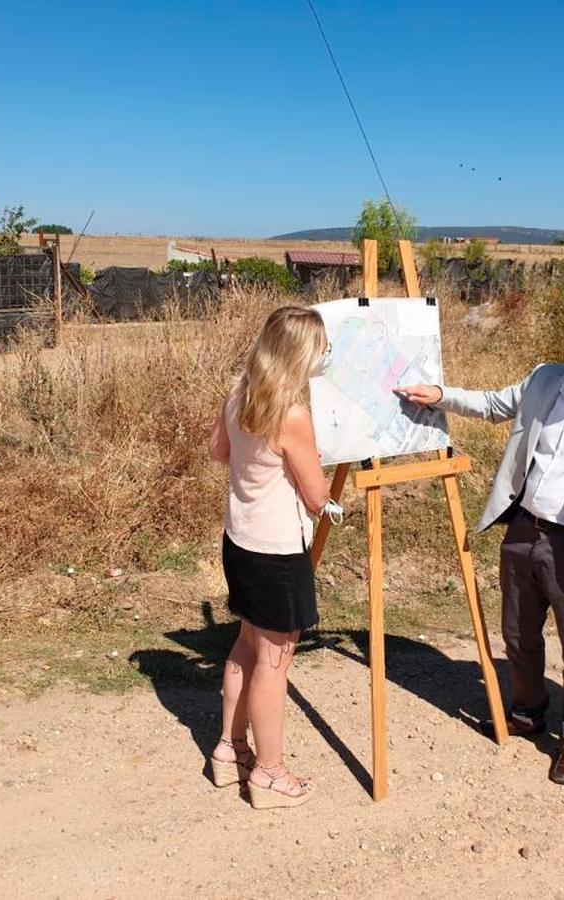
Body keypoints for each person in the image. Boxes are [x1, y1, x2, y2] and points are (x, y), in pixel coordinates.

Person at [397, 306, 564, 784]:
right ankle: (528, 710)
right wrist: (439, 396)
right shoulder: (544, 381)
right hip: (525, 530)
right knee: (518, 635)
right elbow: (494, 405)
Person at [206, 306, 332, 809]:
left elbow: (219, 452)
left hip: (240, 542)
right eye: (323, 348)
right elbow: (319, 497)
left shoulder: (239, 396)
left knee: (246, 646)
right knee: (274, 665)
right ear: (302, 354)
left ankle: (227, 750)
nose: (326, 356)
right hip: (277, 552)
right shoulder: (292, 414)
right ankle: (269, 773)